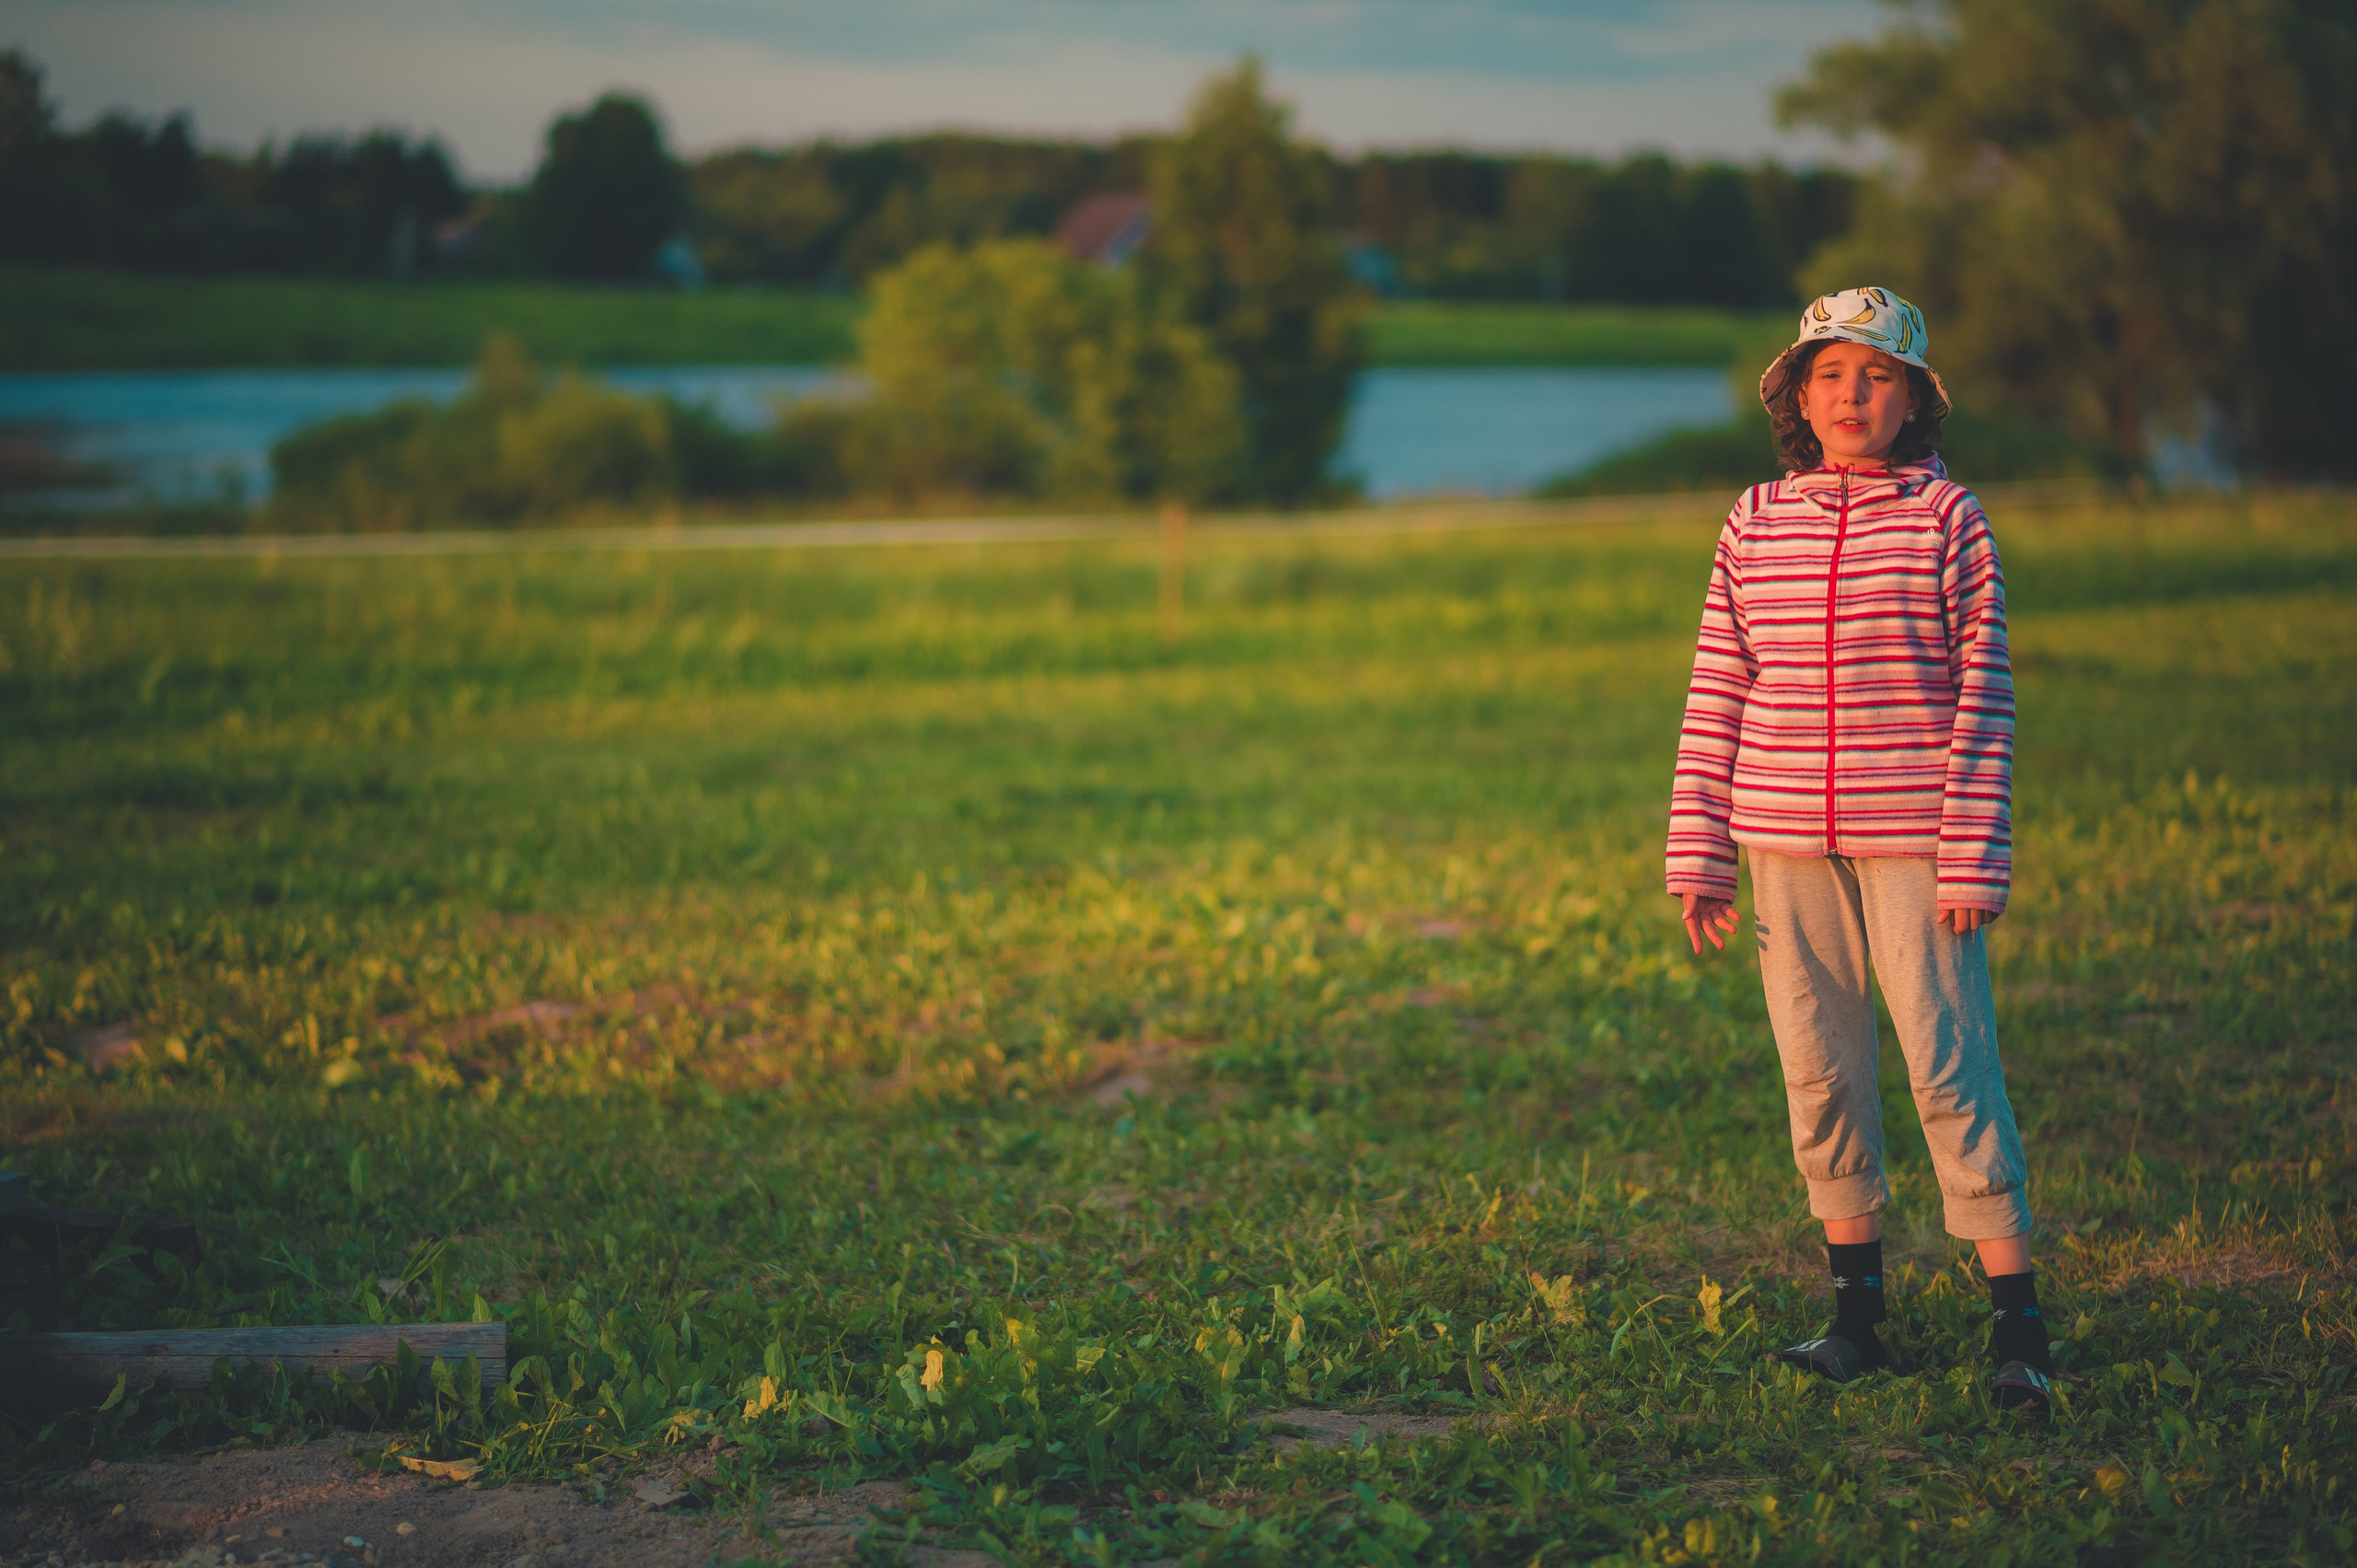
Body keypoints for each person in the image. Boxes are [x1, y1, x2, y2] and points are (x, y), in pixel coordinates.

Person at [1664, 287, 2051, 1415]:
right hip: (1781, 837)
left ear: (1915, 400)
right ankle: (1856, 1318)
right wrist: (1700, 850)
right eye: (1829, 374)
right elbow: (1717, 688)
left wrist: (1975, 847)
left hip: (1917, 841)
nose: (1851, 395)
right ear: (1796, 395)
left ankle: (2017, 1325)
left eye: (1876, 376)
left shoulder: (1948, 520)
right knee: (1817, 1067)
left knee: (1948, 1065)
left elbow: (1984, 696)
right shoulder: (1754, 518)